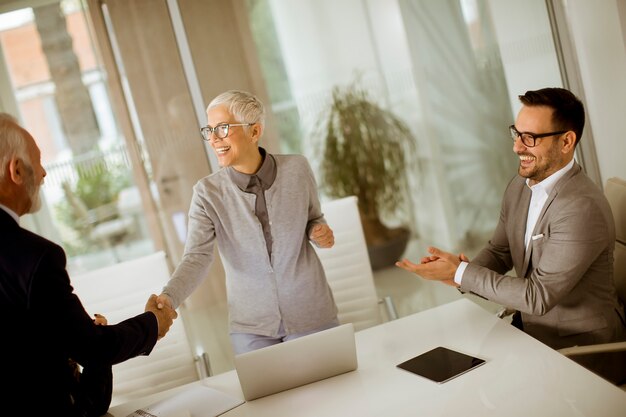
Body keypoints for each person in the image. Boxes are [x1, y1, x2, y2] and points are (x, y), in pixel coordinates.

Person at [395, 87, 626, 384]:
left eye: (530, 138)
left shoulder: (581, 207)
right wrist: (457, 273)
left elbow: (538, 296)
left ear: (567, 141)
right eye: (517, 133)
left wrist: (464, 273)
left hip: (583, 351)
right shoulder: (521, 187)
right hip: (531, 334)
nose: (518, 147)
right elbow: (500, 251)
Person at [0, 113, 179, 416]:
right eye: (38, 161)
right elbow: (93, 349)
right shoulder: (37, 257)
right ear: (17, 170)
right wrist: (153, 324)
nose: (43, 173)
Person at [157, 90, 338, 354]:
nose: (214, 139)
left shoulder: (297, 169)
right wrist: (169, 297)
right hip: (251, 327)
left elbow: (313, 218)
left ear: (254, 132)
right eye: (209, 130)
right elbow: (196, 256)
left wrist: (318, 231)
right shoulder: (207, 193)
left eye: (223, 128)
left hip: (310, 313)